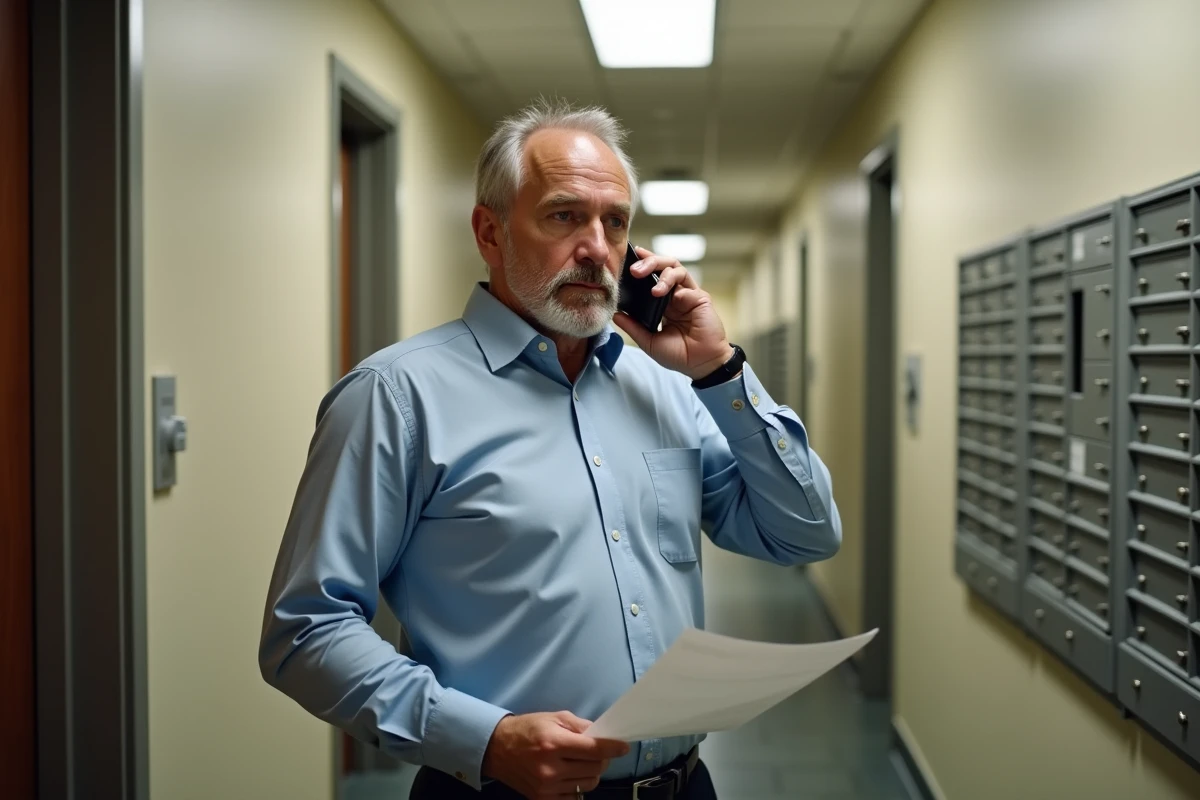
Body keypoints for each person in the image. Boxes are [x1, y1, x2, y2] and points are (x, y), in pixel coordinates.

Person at [258, 99, 842, 800]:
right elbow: (306, 632)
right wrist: (483, 739)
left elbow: (804, 532)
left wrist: (720, 372)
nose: (597, 247)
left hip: (684, 786)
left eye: (615, 222)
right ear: (491, 231)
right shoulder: (395, 397)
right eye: (564, 216)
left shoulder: (665, 385)